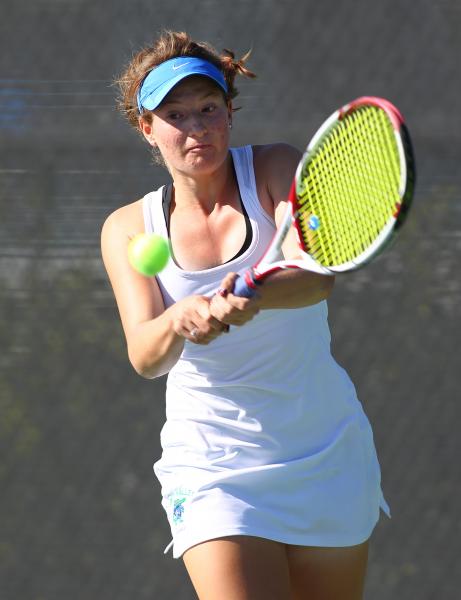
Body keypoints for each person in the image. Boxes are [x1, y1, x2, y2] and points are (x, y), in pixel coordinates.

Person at [102, 30, 390, 600]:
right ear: (148, 129)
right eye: (176, 115)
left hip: (322, 448)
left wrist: (254, 296)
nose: (197, 128)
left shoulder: (276, 167)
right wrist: (180, 316)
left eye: (209, 109)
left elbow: (317, 276)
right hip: (212, 463)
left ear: (230, 112)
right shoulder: (127, 227)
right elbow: (145, 354)